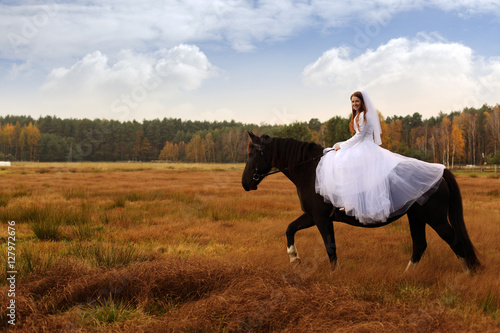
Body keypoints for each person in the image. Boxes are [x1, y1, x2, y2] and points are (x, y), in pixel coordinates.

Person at [315, 90, 445, 224]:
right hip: (362, 145)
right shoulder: (360, 115)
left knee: (343, 163)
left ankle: (350, 202)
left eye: (357, 101)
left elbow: (359, 136)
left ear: (362, 102)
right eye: (353, 102)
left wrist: (342, 146)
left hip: (364, 146)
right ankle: (348, 200)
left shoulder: (363, 116)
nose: (354, 104)